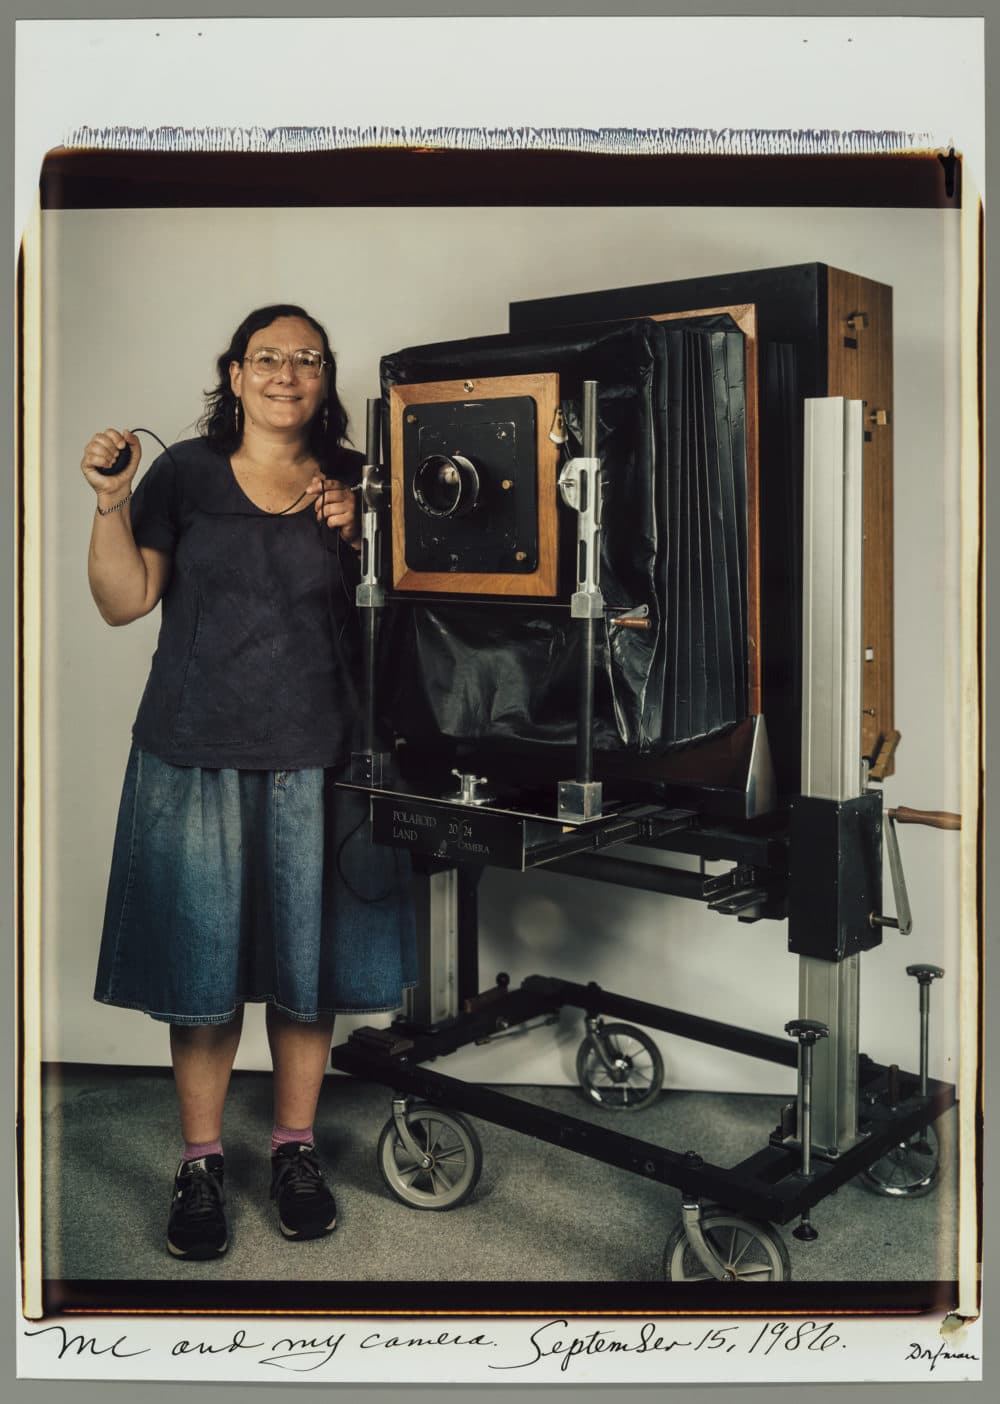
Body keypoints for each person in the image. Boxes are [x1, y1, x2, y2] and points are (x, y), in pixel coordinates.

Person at [81, 304, 416, 1261]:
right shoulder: (181, 473)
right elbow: (121, 600)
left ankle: (295, 1152)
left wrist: (365, 540)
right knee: (204, 975)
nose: (285, 372)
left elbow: (408, 622)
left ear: (325, 377)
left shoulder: (358, 482)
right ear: (234, 374)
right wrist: (111, 501)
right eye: (266, 357)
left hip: (324, 754)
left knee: (304, 976)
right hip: (194, 754)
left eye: (306, 359)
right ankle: (199, 1164)